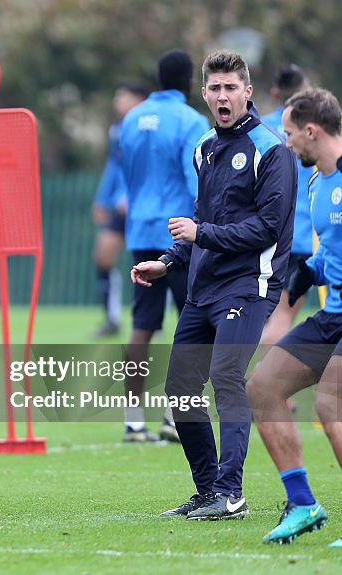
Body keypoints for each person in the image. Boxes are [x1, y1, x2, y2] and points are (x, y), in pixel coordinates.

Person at [132, 50, 296, 520]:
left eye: (232, 88)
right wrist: (168, 260)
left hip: (250, 285)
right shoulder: (204, 146)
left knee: (225, 376)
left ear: (248, 92)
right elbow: (205, 218)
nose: (223, 96)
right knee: (181, 384)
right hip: (203, 289)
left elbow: (267, 228)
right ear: (204, 94)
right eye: (216, 88)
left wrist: (199, 234)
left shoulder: (272, 150)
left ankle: (231, 491)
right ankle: (209, 492)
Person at [248, 88, 342, 547]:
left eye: (291, 134)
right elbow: (336, 245)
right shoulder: (317, 181)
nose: (288, 144)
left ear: (312, 131)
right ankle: (302, 505)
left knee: (332, 403)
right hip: (336, 314)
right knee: (261, 387)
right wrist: (309, 270)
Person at [118, 50, 208, 443]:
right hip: (179, 234)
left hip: (140, 229)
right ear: (190, 82)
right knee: (189, 322)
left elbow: (128, 174)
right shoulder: (191, 120)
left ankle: (133, 419)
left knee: (142, 324)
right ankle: (176, 414)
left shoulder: (132, 118)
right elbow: (197, 183)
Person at [257, 65, 315, 350]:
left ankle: (270, 390)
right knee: (282, 318)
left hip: (262, 235)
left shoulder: (259, 128)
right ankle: (262, 387)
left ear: (274, 93)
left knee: (266, 316)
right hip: (300, 235)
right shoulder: (312, 131)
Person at [90, 83, 146, 339]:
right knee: (103, 254)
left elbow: (152, 167)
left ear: (139, 100)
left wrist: (131, 195)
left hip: (145, 206)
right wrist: (104, 198)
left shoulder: (147, 127)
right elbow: (114, 165)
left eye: (122, 96)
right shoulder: (117, 128)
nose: (117, 101)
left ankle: (155, 318)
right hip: (121, 207)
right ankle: (112, 319)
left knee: (154, 261)